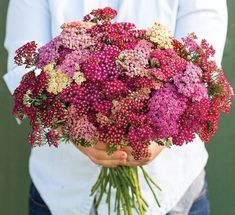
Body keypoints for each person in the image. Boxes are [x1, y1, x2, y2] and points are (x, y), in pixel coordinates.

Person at [3, 0, 228, 214]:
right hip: (61, 190)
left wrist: (159, 133)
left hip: (171, 191)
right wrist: (71, 128)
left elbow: (201, 69)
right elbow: (22, 67)